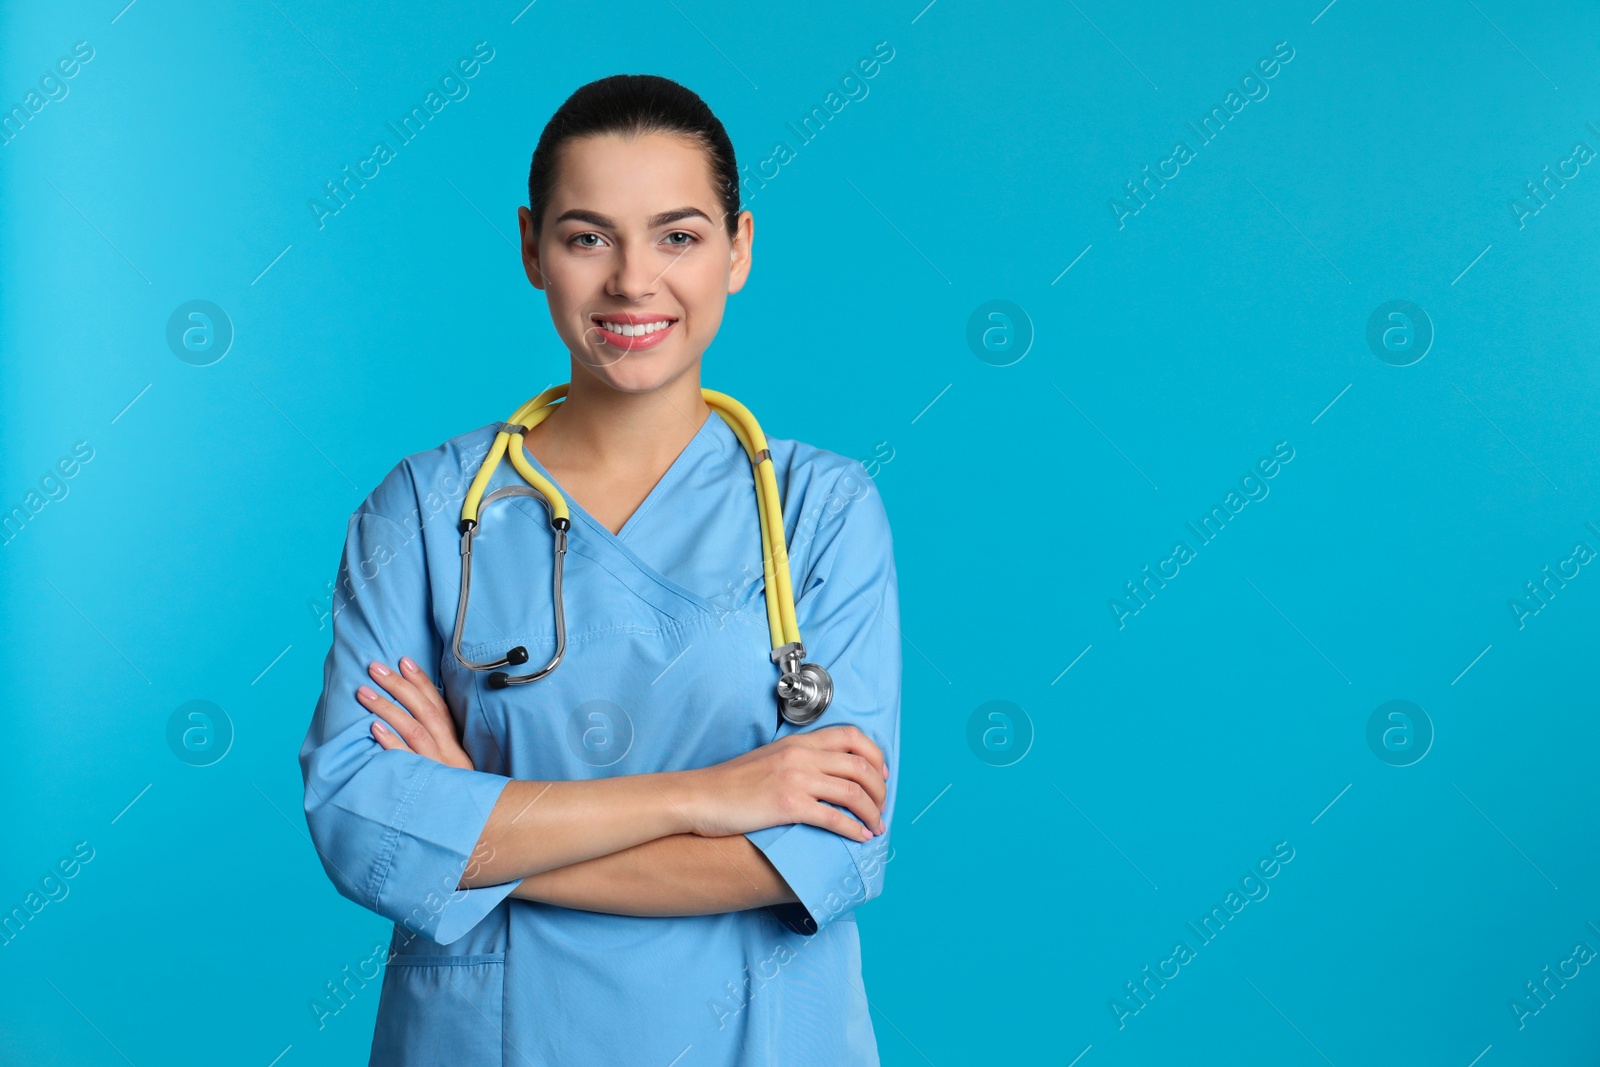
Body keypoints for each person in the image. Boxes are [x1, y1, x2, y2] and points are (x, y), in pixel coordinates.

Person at [297, 73, 902, 1066]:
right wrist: (706, 795)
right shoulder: (420, 509)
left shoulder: (822, 511)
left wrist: (483, 823)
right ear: (532, 245)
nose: (631, 282)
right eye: (588, 236)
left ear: (738, 248)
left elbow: (831, 847)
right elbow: (367, 827)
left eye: (678, 235)